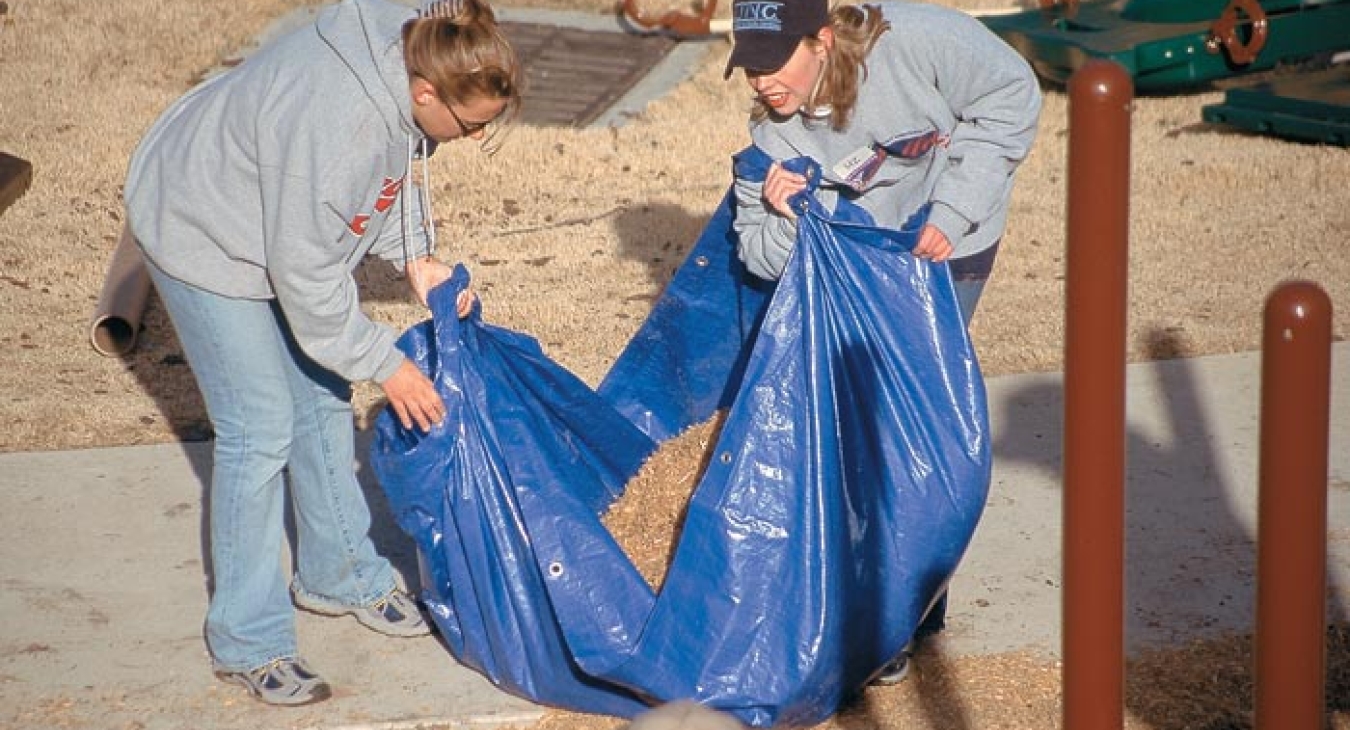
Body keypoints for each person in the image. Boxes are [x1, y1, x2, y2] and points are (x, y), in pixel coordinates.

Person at [123, 0, 522, 707]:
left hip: (269, 212)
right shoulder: (342, 125)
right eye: (470, 126)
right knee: (260, 426)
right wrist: (385, 362)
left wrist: (415, 260)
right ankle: (249, 639)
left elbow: (389, 176)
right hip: (202, 224)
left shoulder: (413, 54)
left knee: (318, 395)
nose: (472, 137)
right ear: (426, 92)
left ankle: (339, 576)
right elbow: (306, 272)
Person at [723, 0, 1041, 684]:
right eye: (747, 65)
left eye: (772, 61)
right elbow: (758, 256)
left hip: (946, 248)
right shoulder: (771, 133)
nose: (759, 81)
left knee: (916, 425)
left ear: (823, 39)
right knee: (871, 429)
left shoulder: (915, 40)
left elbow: (1013, 92)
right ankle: (888, 622)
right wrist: (789, 215)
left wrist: (956, 210)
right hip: (862, 269)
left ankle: (917, 605)